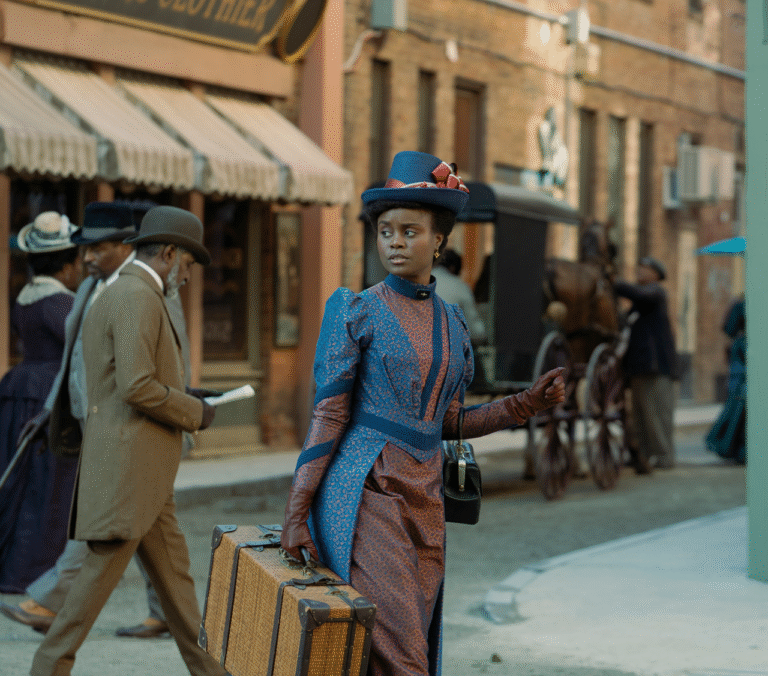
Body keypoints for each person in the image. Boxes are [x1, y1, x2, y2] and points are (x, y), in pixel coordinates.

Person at [280, 151, 565, 676]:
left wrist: (526, 403)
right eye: (385, 230)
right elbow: (328, 417)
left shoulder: (454, 323)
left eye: (409, 231)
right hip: (368, 493)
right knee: (403, 654)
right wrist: (297, 510)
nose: (394, 241)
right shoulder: (356, 310)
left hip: (426, 503)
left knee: (404, 646)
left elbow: (449, 424)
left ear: (438, 241)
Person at [30, 206, 226, 676]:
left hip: (142, 474)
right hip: (127, 475)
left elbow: (134, 379)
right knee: (80, 608)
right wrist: (194, 412)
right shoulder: (137, 295)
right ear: (171, 253)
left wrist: (184, 396)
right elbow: (137, 386)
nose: (188, 275)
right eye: (188, 264)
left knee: (177, 591)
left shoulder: (127, 292)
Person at [0, 202, 187, 639]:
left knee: (107, 515)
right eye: (81, 249)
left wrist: (182, 417)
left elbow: (173, 362)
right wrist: (51, 409)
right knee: (154, 525)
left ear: (124, 246)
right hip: (92, 420)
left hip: (137, 426)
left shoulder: (152, 292)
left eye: (95, 247)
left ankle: (48, 605)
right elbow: (68, 361)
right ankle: (172, 616)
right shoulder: (88, 289)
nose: (84, 257)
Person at [0, 212, 82, 593]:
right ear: (65, 266)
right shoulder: (60, 302)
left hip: (19, 389)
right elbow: (78, 349)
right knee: (47, 483)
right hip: (49, 396)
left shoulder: (26, 297)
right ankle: (32, 571)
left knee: (23, 480)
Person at [614, 256, 677, 473]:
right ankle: (644, 455)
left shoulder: (656, 293)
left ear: (656, 275)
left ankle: (663, 456)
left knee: (656, 415)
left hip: (657, 367)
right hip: (640, 367)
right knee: (640, 416)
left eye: (645, 269)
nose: (639, 271)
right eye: (639, 268)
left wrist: (615, 282)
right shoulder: (639, 305)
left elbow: (637, 293)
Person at [432, 248, 490, 389]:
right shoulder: (460, 287)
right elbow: (476, 331)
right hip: (448, 359)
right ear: (453, 268)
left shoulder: (415, 281)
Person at [705, 298, 745, 463]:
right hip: (743, 362)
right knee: (740, 403)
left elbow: (729, 329)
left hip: (742, 361)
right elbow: (729, 328)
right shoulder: (742, 304)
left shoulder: (742, 304)